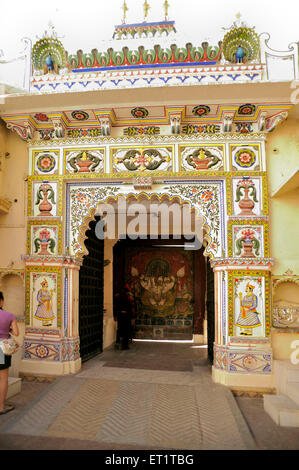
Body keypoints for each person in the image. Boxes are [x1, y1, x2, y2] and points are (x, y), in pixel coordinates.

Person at [0, 291, 19, 415]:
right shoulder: (9, 315)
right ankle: (1, 407)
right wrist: (9, 328)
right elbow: (16, 333)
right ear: (1, 301)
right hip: (2, 349)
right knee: (3, 378)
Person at [114, 284, 135, 350]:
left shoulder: (118, 297)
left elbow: (116, 307)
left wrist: (116, 315)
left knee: (120, 329)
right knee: (126, 330)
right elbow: (132, 308)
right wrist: (132, 316)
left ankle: (118, 343)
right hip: (126, 316)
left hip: (121, 315)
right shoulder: (129, 298)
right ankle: (125, 345)